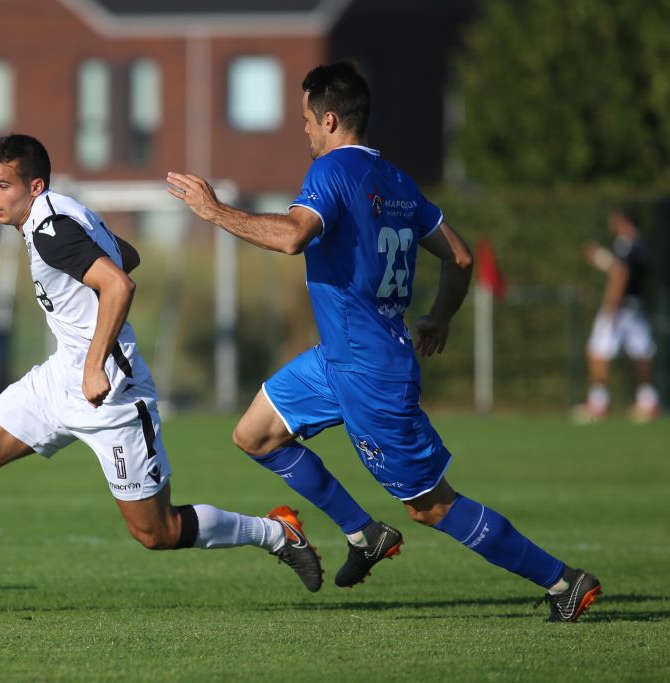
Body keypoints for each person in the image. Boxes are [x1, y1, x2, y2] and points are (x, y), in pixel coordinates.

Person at [167, 62, 602, 623]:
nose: (302, 131)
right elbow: (461, 257)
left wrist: (213, 211)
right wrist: (439, 317)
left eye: (304, 120)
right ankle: (363, 532)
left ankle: (563, 580)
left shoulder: (330, 172)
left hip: (371, 373)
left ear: (328, 120)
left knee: (432, 506)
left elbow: (293, 237)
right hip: (339, 358)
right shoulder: (395, 179)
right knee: (255, 435)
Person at [0, 134, 322, 607]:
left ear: (35, 186)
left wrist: (94, 365)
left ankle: (277, 533)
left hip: (110, 393)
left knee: (157, 532)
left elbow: (118, 285)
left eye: (3, 185)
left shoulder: (51, 231)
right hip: (58, 380)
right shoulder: (62, 213)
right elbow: (125, 257)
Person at [577, 211, 659, 423]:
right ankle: (648, 401)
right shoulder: (642, 245)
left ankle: (599, 402)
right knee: (642, 353)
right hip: (637, 307)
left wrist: (610, 306)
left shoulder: (624, 243)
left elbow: (619, 273)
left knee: (597, 351)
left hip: (620, 308)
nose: (611, 224)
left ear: (625, 221)